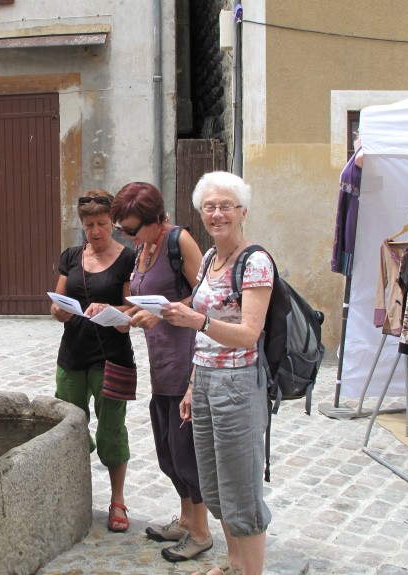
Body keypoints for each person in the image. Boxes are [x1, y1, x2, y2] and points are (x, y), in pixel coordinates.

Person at [160, 171, 273, 575]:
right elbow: (204, 341)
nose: (217, 213)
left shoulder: (255, 262)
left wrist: (198, 321)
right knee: (214, 483)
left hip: (238, 385)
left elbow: (248, 335)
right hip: (206, 381)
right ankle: (233, 561)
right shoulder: (209, 258)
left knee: (241, 488)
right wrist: (192, 384)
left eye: (226, 206)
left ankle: (251, 571)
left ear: (243, 212)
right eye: (209, 206)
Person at [110, 182, 213, 562]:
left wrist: (163, 312)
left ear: (157, 221)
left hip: (187, 361)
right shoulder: (144, 247)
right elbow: (142, 301)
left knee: (186, 452)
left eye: (132, 228)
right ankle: (186, 519)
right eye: (123, 228)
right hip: (161, 364)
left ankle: (201, 532)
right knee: (168, 452)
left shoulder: (178, 241)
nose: (126, 234)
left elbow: (206, 297)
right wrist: (118, 315)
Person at [51, 189, 137, 533]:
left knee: (111, 431)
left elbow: (134, 310)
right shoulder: (71, 256)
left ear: (113, 223)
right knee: (70, 428)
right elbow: (57, 301)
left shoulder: (128, 259)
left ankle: (117, 500)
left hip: (112, 359)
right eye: (89, 225)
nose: (96, 231)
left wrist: (112, 310)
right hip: (72, 356)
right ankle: (76, 493)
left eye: (102, 224)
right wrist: (59, 311)